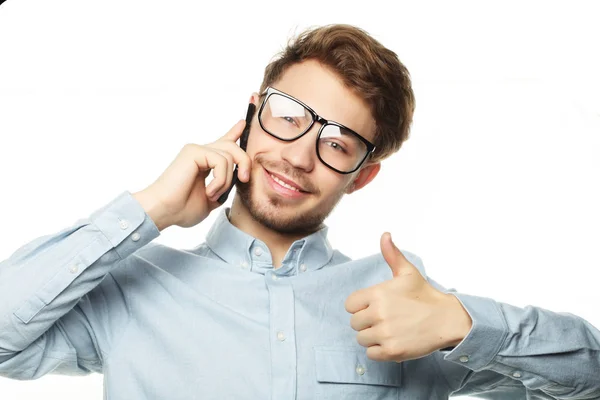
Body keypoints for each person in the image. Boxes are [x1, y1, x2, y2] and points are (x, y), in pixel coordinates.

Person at [0, 24, 598, 400]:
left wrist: (468, 325)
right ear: (253, 111)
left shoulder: (405, 301)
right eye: (289, 115)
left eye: (336, 143)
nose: (298, 154)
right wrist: (151, 208)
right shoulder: (133, 288)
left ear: (362, 176)